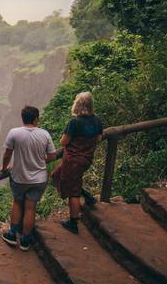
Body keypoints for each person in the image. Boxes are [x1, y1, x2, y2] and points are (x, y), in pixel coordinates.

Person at [0, 105, 57, 251]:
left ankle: (12, 235)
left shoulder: (14, 133)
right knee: (31, 207)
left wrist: (4, 167)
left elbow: (7, 154)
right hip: (39, 179)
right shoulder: (44, 134)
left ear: (23, 118)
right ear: (36, 119)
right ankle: (25, 241)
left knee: (18, 203)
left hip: (19, 178)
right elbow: (52, 156)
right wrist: (40, 160)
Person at [52, 92, 103, 234]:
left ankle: (73, 222)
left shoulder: (74, 122)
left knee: (73, 192)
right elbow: (99, 137)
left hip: (73, 160)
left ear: (78, 105)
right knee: (56, 174)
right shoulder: (97, 120)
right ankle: (85, 195)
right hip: (85, 159)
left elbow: (64, 141)